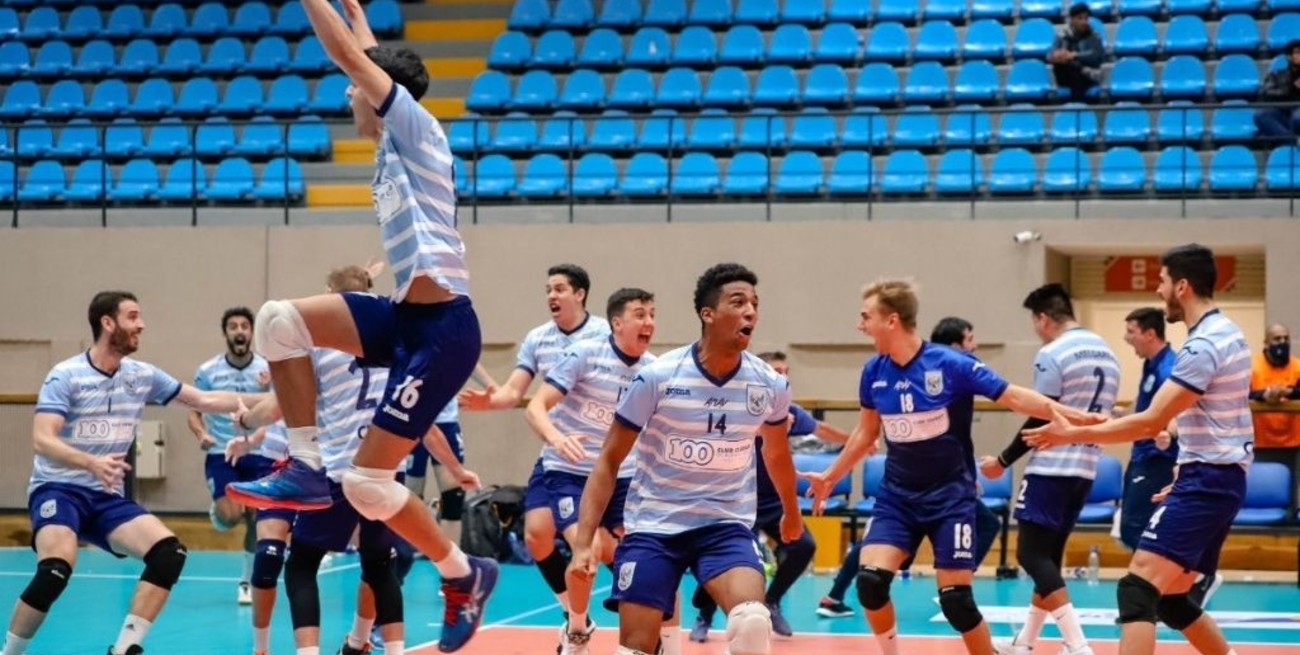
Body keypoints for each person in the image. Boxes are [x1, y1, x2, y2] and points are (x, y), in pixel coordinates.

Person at [223, 0, 497, 649]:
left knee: (369, 483)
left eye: (356, 89)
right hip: (404, 318)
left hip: (443, 330)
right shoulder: (389, 142)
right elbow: (367, 63)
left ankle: (463, 572)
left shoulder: (419, 128)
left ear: (381, 95)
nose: (348, 93)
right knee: (278, 321)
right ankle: (308, 461)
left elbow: (353, 61)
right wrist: (365, 25)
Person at [803, 280, 1096, 655]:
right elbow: (866, 432)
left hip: (950, 498)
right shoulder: (873, 370)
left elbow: (1014, 396)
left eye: (866, 316)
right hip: (897, 498)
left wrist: (1073, 416)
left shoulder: (951, 365)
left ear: (891, 320)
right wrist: (831, 475)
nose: (860, 325)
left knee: (956, 601)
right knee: (871, 584)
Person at [1, 291, 265, 655]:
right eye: (133, 317)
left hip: (106, 497)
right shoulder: (66, 375)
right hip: (59, 489)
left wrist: (278, 400)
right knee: (55, 571)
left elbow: (203, 400)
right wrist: (90, 462)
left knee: (169, 553)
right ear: (108, 323)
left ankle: (124, 648)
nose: (141, 324)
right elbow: (42, 439)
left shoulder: (142, 375)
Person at [1026, 244, 1252, 655]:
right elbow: (1215, 420)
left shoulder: (1203, 346)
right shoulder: (1226, 332)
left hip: (1210, 481)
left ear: (1181, 286)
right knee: (1172, 600)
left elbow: (1150, 422)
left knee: (1136, 591)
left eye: (1162, 281)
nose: (1157, 289)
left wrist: (1069, 434)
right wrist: (1186, 468)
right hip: (1215, 476)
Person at [569, 263, 803, 655]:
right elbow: (608, 461)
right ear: (707, 314)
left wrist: (791, 512)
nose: (751, 312)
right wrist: (582, 543)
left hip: (724, 525)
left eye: (755, 304)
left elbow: (777, 453)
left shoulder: (769, 384)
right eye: (738, 302)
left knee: (752, 623)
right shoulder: (658, 378)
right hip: (654, 526)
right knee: (635, 650)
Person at [815, 317, 1000, 620]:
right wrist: (831, 475)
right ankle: (837, 594)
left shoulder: (953, 371)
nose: (974, 345)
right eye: (969, 339)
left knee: (975, 541)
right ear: (955, 344)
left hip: (947, 489)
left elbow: (951, 436)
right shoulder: (895, 369)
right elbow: (868, 430)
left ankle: (953, 584)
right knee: (874, 564)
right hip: (908, 490)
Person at [459, 263, 610, 630]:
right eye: (548, 290)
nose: (551, 296)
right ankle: (574, 616)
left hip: (599, 455)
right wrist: (489, 402)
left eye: (559, 289)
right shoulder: (538, 338)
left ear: (580, 294)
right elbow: (514, 392)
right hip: (557, 454)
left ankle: (640, 615)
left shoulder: (604, 333)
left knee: (599, 551)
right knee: (537, 535)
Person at [981, 284, 1119, 655]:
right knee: (1049, 558)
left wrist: (1002, 460)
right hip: (1086, 467)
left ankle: (1078, 645)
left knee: (1030, 556)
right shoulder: (1107, 352)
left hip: (1052, 466)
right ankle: (1024, 642)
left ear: (1043, 318)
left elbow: (1041, 413)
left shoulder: (1053, 352)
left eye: (1034, 322)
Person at [523, 288, 658, 655]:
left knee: (637, 557)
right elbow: (535, 407)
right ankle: (578, 627)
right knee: (582, 548)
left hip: (623, 476)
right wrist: (557, 437)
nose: (649, 322)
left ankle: (654, 639)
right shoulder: (584, 354)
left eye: (652, 315)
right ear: (617, 322)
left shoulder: (654, 370)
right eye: (639, 314)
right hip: (569, 469)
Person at [693, 351, 847, 640]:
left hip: (773, 501)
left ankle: (772, 600)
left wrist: (855, 441)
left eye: (787, 371)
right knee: (727, 559)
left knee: (804, 545)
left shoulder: (785, 409)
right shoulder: (735, 405)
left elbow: (821, 428)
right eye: (777, 370)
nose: (784, 376)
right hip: (736, 500)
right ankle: (705, 615)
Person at [189, 306, 272, 605]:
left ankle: (246, 581)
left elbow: (280, 408)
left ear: (252, 332)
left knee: (257, 516)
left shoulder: (267, 369)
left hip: (259, 453)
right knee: (230, 516)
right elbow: (194, 413)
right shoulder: (208, 372)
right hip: (220, 454)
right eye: (233, 326)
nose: (239, 331)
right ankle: (221, 513)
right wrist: (202, 434)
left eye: (245, 326)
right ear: (225, 333)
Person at [1118, 308, 1178, 553]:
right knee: (1134, 528)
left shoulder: (1168, 368)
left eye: (1131, 332)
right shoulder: (1151, 363)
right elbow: (1146, 402)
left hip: (1157, 459)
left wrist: (1170, 432)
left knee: (1136, 528)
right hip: (1142, 454)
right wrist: (1120, 414)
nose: (1126, 338)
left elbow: (1181, 407)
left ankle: (1184, 579)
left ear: (1150, 334)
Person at [1048, 3, 1103, 102]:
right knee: (1069, 66)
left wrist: (1074, 55)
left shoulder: (1094, 35)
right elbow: (1049, 55)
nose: (1084, 22)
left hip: (1087, 74)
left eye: (1086, 19)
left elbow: (1097, 55)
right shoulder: (1062, 34)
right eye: (1080, 18)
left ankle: (1076, 106)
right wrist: (1057, 56)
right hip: (1066, 74)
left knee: (1075, 69)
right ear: (1072, 20)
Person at [1253, 41, 1300, 140]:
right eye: (1298, 52)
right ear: (1289, 57)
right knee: (1261, 116)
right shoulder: (1276, 74)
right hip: (1283, 112)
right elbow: (1265, 92)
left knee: (1297, 117)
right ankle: (1293, 140)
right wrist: (1290, 88)